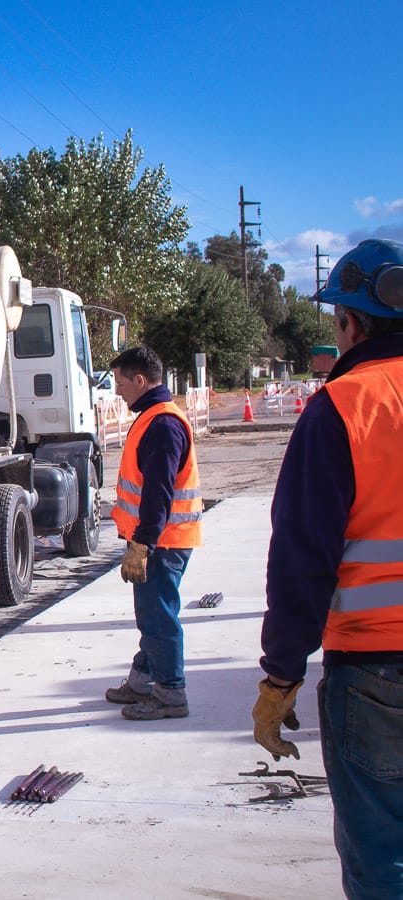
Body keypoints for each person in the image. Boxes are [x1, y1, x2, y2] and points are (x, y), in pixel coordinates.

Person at [255, 238, 403, 898]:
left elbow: (301, 559)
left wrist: (281, 674)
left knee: (384, 858)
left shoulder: (342, 407)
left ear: (349, 322)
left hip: (376, 673)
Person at [106, 345, 203, 720]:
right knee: (153, 614)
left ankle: (170, 694)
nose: (118, 391)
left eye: (121, 382)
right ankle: (143, 680)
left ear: (140, 380)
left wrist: (142, 544)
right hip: (160, 539)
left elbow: (158, 492)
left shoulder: (162, 424)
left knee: (157, 617)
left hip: (162, 542)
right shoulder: (155, 417)